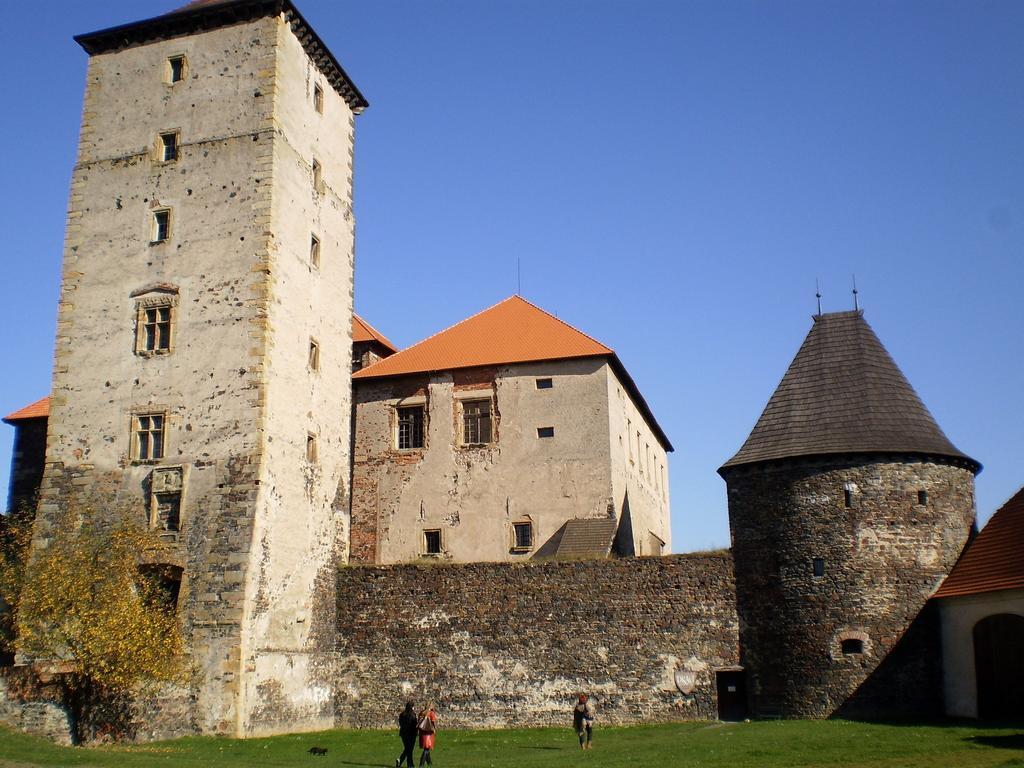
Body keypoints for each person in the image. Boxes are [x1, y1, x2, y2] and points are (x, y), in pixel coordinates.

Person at [396, 701, 418, 768]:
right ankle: (410, 765)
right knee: (409, 750)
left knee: (407, 749)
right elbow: (414, 725)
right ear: (412, 707)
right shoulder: (413, 715)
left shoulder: (402, 714)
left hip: (403, 734)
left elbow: (400, 723)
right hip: (411, 734)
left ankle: (400, 761)